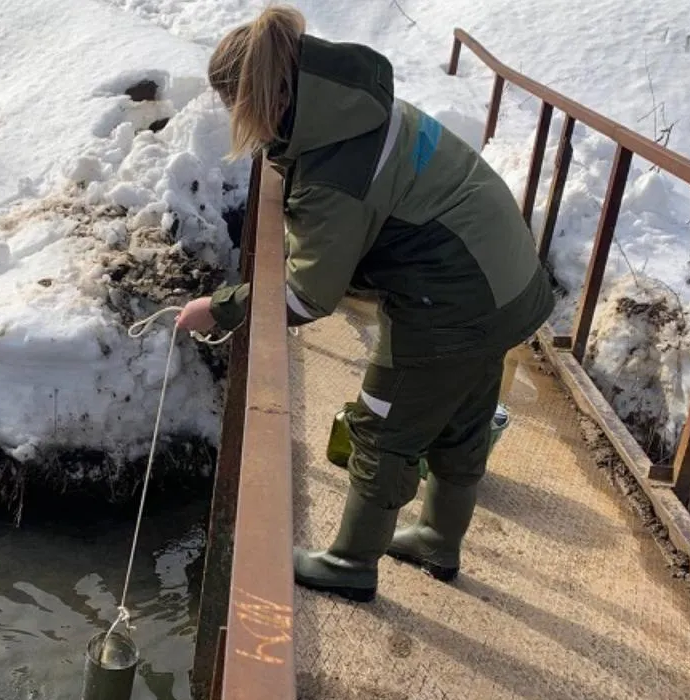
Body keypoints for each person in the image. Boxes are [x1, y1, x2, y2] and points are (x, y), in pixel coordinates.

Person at [176, 5, 554, 602]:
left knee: (384, 425)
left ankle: (351, 564)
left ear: (260, 99)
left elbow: (305, 297)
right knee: (461, 421)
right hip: (506, 281)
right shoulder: (347, 106)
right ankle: (436, 537)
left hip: (453, 298)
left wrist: (220, 309)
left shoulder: (336, 171)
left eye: (236, 109)